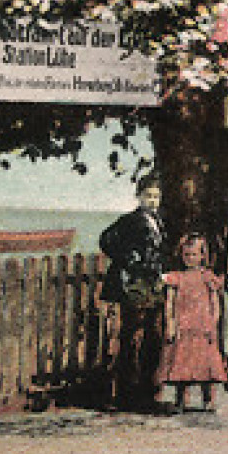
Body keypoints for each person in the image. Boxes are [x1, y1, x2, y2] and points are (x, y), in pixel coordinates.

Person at [99, 176, 168, 411]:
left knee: (155, 336)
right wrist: (128, 260)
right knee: (133, 337)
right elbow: (106, 240)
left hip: (153, 284)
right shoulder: (129, 220)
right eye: (148, 195)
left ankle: (148, 393)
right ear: (138, 197)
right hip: (134, 285)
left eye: (156, 196)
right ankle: (128, 395)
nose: (152, 200)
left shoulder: (159, 221)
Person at [156, 234, 227, 414]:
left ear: (202, 255)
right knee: (181, 363)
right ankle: (181, 399)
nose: (190, 259)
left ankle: (208, 398)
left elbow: (215, 303)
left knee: (205, 363)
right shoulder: (176, 278)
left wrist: (213, 323)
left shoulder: (207, 277)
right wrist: (171, 324)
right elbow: (170, 303)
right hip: (183, 326)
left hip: (202, 326)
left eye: (194, 255)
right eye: (186, 255)